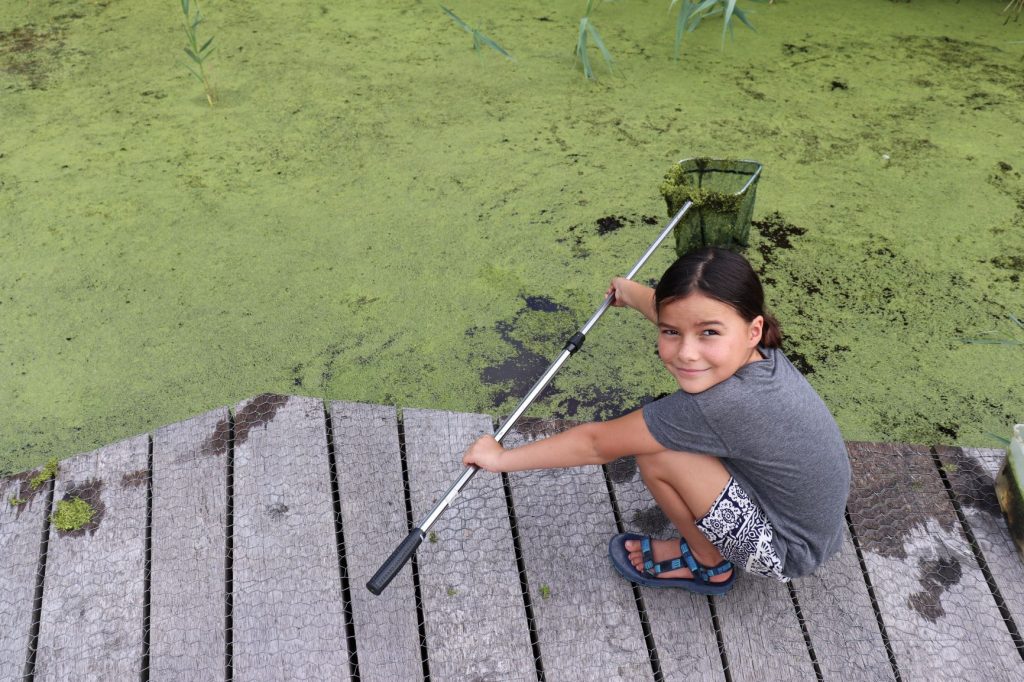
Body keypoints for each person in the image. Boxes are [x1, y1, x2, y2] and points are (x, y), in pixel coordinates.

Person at [463, 247, 850, 594]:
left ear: (753, 330)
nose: (686, 353)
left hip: (786, 550)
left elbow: (597, 444)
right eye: (670, 332)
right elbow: (688, 316)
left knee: (657, 453)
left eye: (708, 334)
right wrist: (630, 294)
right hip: (814, 525)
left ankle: (707, 564)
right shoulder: (759, 351)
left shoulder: (719, 405)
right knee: (667, 426)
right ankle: (711, 545)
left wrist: (501, 459)